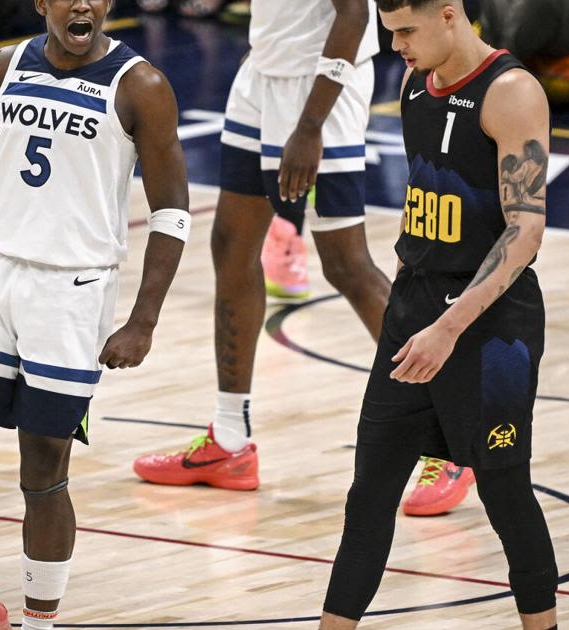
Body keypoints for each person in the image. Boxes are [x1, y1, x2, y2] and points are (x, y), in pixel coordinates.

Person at [0, 0, 189, 627]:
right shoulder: (6, 65)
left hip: (72, 290)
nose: (82, 3)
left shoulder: (140, 85)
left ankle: (42, 622)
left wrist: (144, 319)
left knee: (43, 470)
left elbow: (172, 209)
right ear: (43, 3)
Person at [319, 0, 559, 628]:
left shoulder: (510, 92)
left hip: (487, 327)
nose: (395, 44)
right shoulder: (413, 83)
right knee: (368, 495)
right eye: (389, 31)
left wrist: (449, 328)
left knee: (505, 494)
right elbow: (422, 211)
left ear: (450, 14)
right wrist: (408, 307)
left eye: (404, 30)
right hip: (414, 314)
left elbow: (525, 232)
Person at [131, 0, 396, 491]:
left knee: (347, 265)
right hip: (263, 73)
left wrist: (311, 125)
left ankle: (448, 440)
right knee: (230, 243)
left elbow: (354, 15)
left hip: (322, 90)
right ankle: (230, 439)